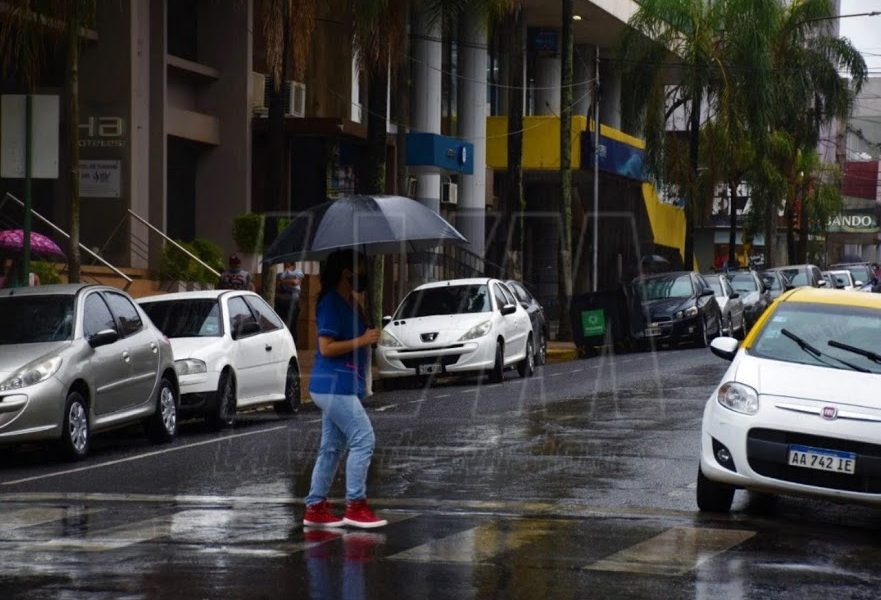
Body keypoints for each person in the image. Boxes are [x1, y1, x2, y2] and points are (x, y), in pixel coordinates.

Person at [303, 249, 385, 529]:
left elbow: (359, 338)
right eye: (361, 269)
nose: (364, 275)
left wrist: (368, 334)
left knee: (331, 448)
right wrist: (362, 339)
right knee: (364, 439)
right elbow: (326, 348)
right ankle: (356, 505)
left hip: (343, 384)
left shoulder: (351, 302)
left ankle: (315, 507)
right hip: (331, 384)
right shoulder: (329, 303)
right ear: (346, 273)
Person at [275, 263, 304, 340]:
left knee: (292, 324)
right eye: (285, 266)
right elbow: (278, 284)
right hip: (282, 301)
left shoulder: (298, 272)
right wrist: (286, 280)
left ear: (293, 266)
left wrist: (283, 282)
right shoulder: (281, 274)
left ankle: (294, 342)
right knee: (281, 323)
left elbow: (295, 282)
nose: (286, 268)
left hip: (293, 301)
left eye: (288, 266)